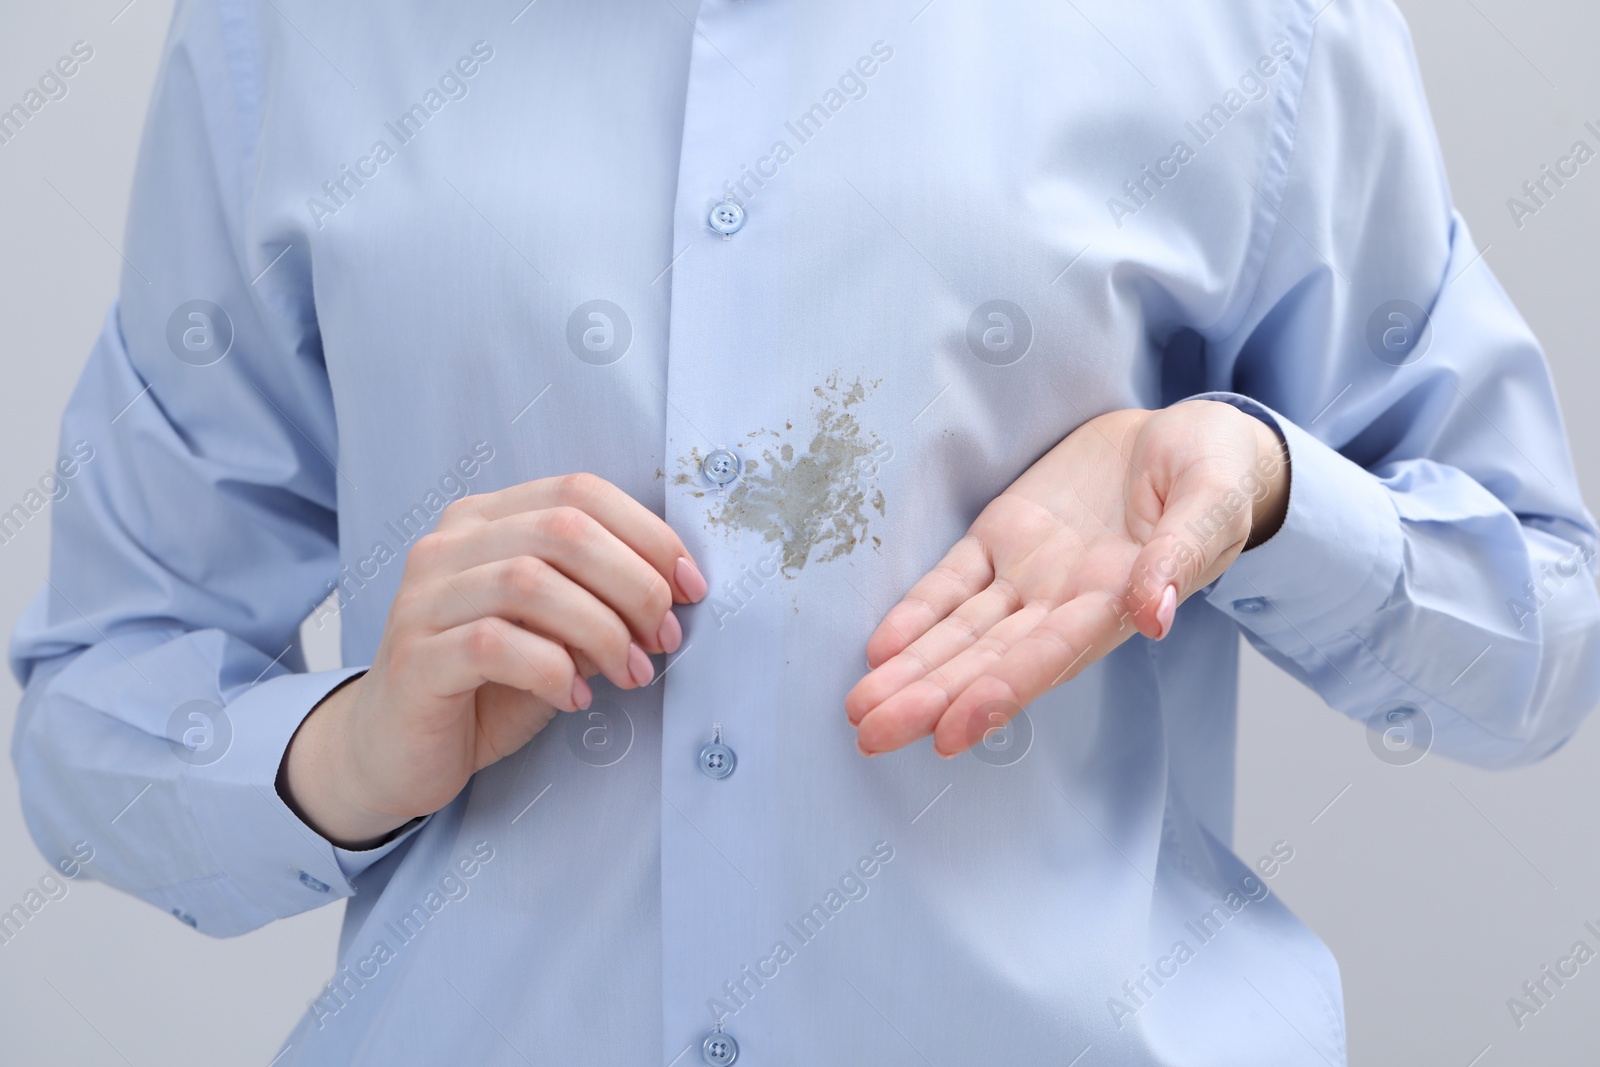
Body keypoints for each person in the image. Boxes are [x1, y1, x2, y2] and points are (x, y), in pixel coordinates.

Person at [11, 0, 1599, 1063]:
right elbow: (99, 690)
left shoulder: (1252, 27)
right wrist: (343, 758)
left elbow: (1537, 630)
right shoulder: (287, 33)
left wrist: (1254, 484)